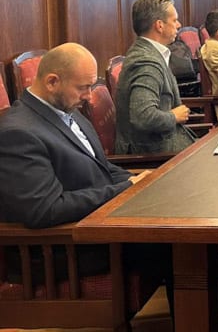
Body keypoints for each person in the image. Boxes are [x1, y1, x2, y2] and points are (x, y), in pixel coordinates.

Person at [0, 43, 149, 228]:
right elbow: (45, 209)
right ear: (52, 82)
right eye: (83, 87)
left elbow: (101, 168)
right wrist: (124, 189)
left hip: (105, 217)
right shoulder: (18, 134)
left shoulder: (66, 108)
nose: (88, 96)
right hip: (77, 241)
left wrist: (144, 182)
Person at [115, 0, 195, 154]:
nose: (179, 25)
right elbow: (142, 116)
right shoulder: (146, 62)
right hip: (154, 155)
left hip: (168, 145)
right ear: (159, 25)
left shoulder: (150, 53)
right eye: (174, 20)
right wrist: (174, 116)